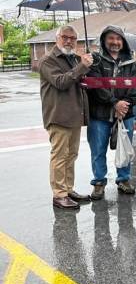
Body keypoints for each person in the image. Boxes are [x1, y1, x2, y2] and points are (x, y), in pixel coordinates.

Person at [39, 25, 93, 209]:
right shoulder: (48, 60)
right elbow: (61, 82)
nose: (69, 41)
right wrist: (81, 67)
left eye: (73, 38)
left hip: (74, 115)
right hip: (58, 115)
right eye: (65, 37)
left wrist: (86, 66)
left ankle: (68, 189)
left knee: (71, 155)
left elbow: (79, 80)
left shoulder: (74, 59)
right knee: (60, 156)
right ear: (57, 38)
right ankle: (59, 194)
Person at [87, 25, 136, 200]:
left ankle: (124, 179)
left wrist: (125, 106)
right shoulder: (95, 60)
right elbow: (96, 86)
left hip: (126, 114)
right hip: (100, 114)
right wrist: (114, 103)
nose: (115, 42)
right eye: (111, 38)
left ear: (123, 41)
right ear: (104, 40)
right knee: (98, 150)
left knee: (125, 148)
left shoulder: (133, 61)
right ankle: (99, 182)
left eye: (118, 39)